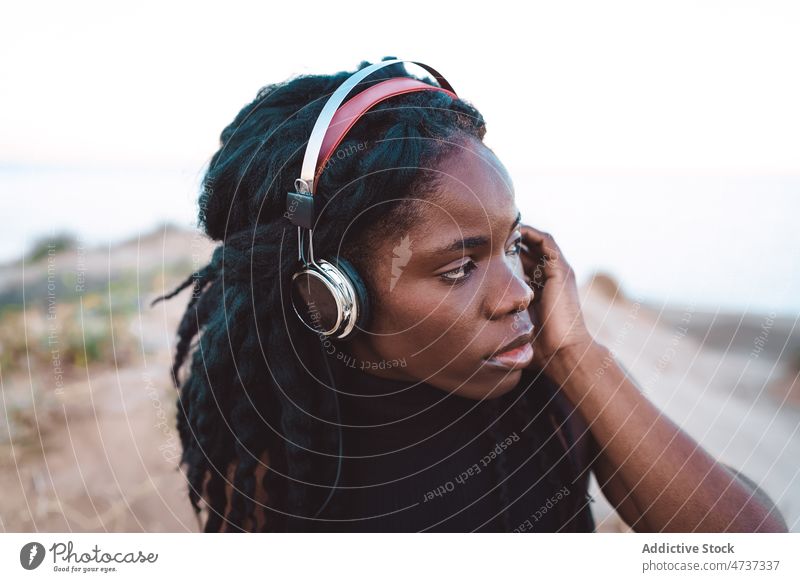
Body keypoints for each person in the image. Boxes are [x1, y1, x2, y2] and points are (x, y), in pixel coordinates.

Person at [153, 57, 788, 533]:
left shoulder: (552, 381)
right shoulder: (291, 444)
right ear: (331, 295)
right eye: (459, 268)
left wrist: (575, 355)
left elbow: (753, 547)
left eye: (511, 245)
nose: (516, 296)